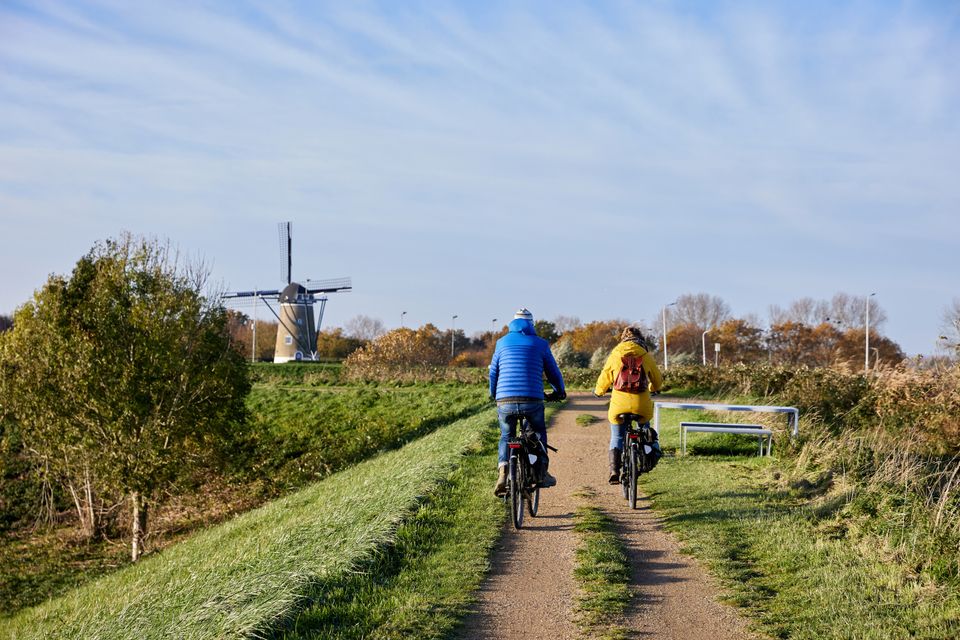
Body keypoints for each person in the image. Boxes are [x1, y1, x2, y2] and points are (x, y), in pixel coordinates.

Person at [489, 308, 566, 497]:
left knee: (506, 436)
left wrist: (494, 394)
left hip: (505, 400)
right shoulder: (540, 344)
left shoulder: (501, 343)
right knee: (537, 432)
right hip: (532, 399)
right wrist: (559, 391)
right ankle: (541, 473)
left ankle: (503, 472)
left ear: (512, 324)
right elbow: (553, 372)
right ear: (532, 324)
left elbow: (493, 373)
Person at [593, 326, 663, 484]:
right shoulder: (645, 355)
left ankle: (614, 470)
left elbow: (604, 378)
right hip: (641, 406)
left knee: (617, 436)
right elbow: (657, 380)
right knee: (645, 431)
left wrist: (598, 392)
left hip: (619, 406)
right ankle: (646, 459)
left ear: (623, 338)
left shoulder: (615, 354)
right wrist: (653, 389)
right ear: (641, 339)